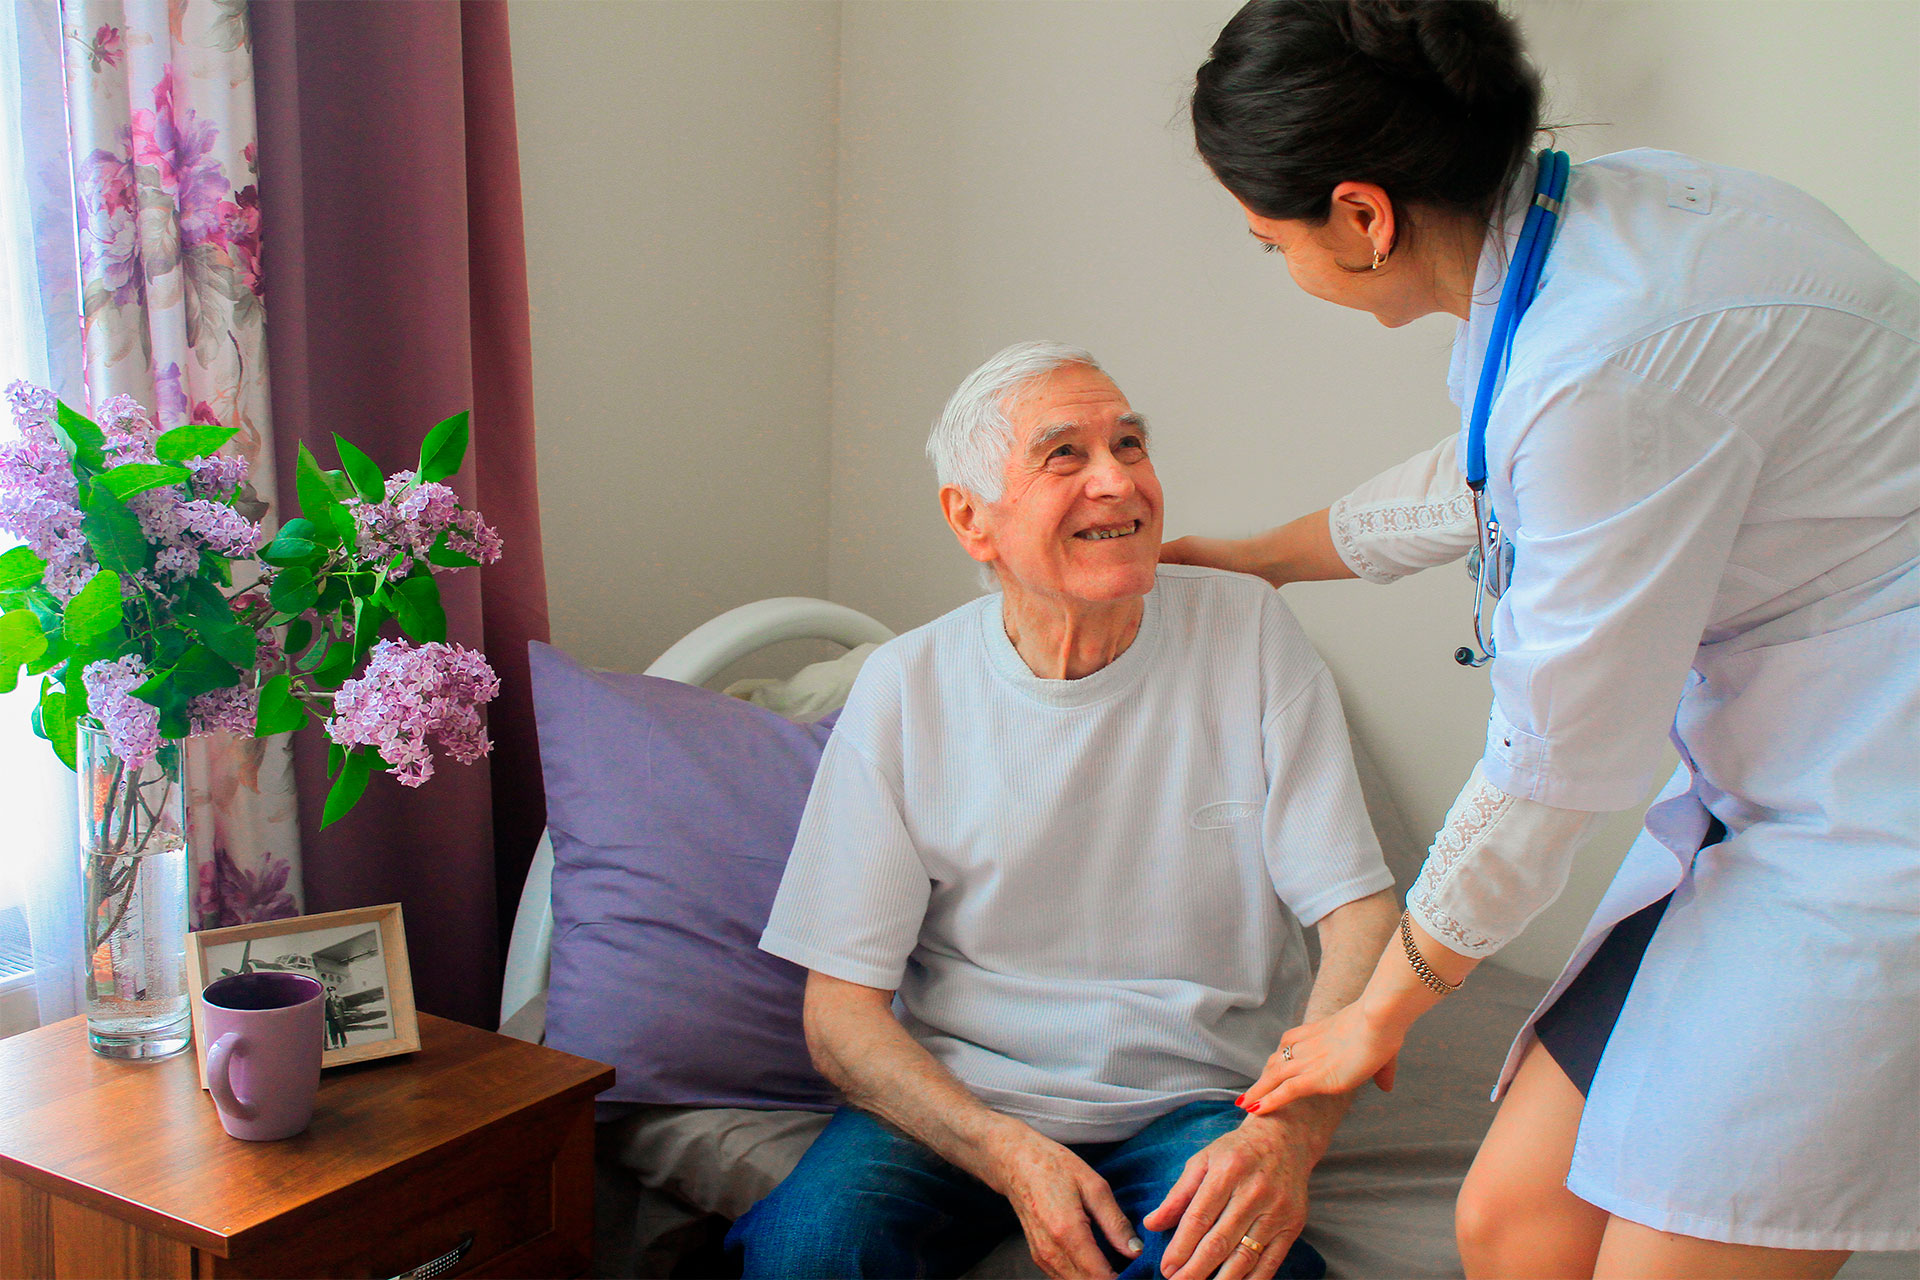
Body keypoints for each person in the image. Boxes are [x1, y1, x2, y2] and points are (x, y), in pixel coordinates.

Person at [1167, 3, 1920, 1278]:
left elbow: (1550, 769)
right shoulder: (1586, 235)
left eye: (1269, 239)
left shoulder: (1604, 358)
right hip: (1786, 757)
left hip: (1878, 802)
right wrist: (1259, 559)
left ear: (1361, 216)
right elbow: (1491, 472)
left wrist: (1378, 1011)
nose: (1276, 262)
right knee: (1510, 1217)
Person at [725, 341, 1401, 1280]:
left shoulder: (1248, 630)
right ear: (972, 519)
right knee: (805, 1254)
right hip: (962, 1101)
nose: (1117, 480)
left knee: (1234, 1269)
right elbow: (839, 1014)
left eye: (1129, 444)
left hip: (1198, 1098)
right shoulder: (908, 685)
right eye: (1064, 455)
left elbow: (1358, 912)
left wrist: (1290, 1133)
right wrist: (1006, 1152)